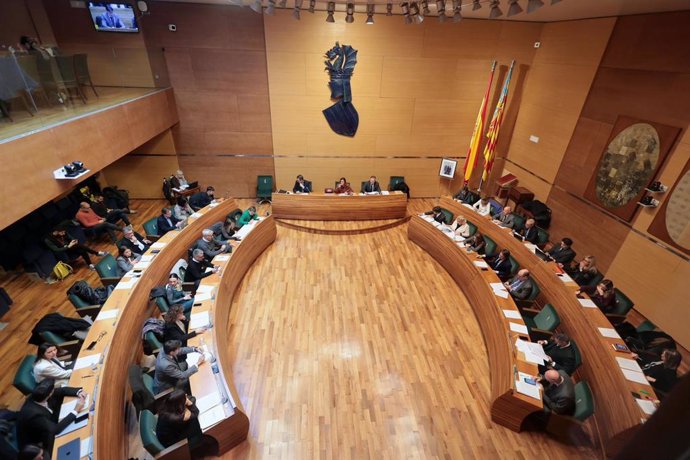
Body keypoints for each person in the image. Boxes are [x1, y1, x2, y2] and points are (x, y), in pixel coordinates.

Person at [16, 379, 87, 453]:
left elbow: (62, 390)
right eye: (53, 390)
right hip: (38, 444)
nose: (54, 391)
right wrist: (76, 410)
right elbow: (55, 430)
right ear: (49, 394)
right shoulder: (34, 415)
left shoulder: (41, 395)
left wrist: (79, 392)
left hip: (48, 423)